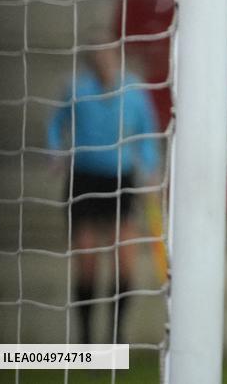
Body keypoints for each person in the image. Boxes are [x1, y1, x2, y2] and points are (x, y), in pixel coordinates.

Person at [47, 36, 162, 344]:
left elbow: (147, 134)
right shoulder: (77, 89)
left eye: (109, 55)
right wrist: (55, 151)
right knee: (87, 262)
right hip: (84, 179)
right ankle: (85, 339)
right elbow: (56, 124)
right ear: (91, 61)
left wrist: (150, 169)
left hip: (120, 180)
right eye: (99, 56)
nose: (105, 61)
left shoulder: (134, 92)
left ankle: (116, 335)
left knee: (125, 261)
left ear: (118, 56)